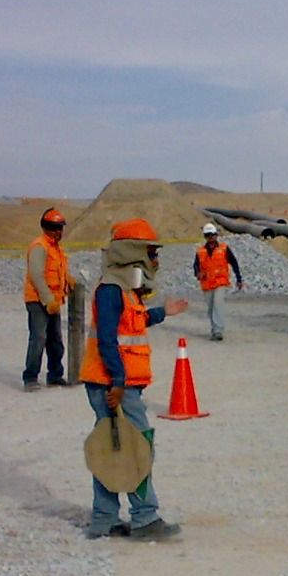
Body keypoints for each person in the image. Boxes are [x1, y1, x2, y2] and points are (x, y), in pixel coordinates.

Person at [79, 218, 190, 540]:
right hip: (113, 386)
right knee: (136, 447)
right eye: (152, 253)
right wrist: (117, 382)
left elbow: (133, 325)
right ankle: (144, 519)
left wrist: (162, 313)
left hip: (116, 384)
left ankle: (104, 519)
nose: (156, 260)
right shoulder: (111, 289)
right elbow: (108, 341)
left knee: (113, 447)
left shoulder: (124, 289)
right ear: (134, 253)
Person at [22, 207, 75, 390]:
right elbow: (36, 275)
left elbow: (58, 272)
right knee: (39, 338)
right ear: (45, 227)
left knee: (55, 341)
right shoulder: (39, 246)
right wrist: (47, 300)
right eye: (54, 227)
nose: (58, 232)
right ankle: (30, 378)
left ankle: (55, 376)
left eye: (60, 227)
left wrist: (68, 280)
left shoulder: (56, 249)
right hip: (38, 301)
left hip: (53, 301)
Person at [192, 221, 243, 341]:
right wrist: (197, 273)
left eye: (212, 235)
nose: (211, 237)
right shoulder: (200, 251)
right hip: (207, 283)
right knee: (211, 308)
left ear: (216, 235)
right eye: (208, 235)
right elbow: (195, 266)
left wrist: (239, 278)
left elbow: (234, 263)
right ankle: (214, 329)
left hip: (220, 282)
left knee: (218, 306)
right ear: (205, 237)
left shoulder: (224, 249)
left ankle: (218, 331)